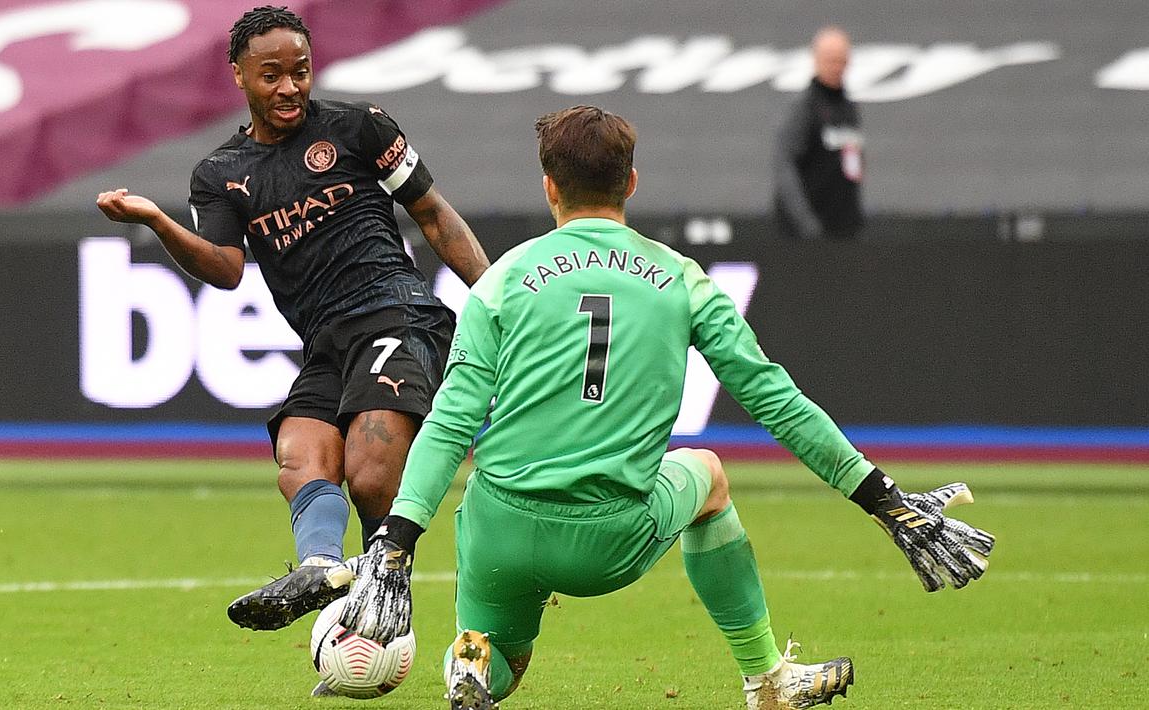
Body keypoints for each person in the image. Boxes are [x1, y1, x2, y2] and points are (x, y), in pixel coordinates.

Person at [339, 106, 994, 710]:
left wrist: (395, 542)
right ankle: (766, 678)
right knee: (706, 473)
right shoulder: (681, 279)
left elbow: (452, 419)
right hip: (607, 541)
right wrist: (882, 498)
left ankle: (470, 658)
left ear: (549, 187)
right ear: (630, 183)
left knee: (505, 650)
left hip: (499, 527)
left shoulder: (503, 279)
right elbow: (777, 403)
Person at [95, 5, 490, 635]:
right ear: (238, 76)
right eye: (271, 75)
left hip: (398, 314)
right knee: (300, 455)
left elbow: (435, 216)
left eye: (300, 72)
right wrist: (155, 220)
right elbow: (225, 270)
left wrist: (496, 297)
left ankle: (387, 591)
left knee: (370, 466)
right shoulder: (221, 175)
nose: (289, 88)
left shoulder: (360, 128)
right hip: (325, 342)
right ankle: (325, 568)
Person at [773, 26, 865, 240]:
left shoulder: (848, 109)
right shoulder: (803, 109)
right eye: (831, 60)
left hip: (845, 229)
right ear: (816, 60)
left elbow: (852, 165)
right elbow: (784, 165)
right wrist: (806, 223)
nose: (837, 67)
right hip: (809, 233)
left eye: (841, 60)